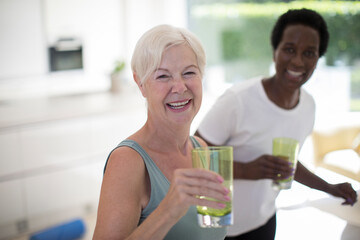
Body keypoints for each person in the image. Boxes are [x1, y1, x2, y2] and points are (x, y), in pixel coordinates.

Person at [195, 8, 358, 240]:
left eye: (309, 53)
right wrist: (246, 170)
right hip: (218, 228)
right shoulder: (237, 101)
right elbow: (194, 156)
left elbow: (287, 165)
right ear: (275, 52)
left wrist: (329, 188)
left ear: (317, 59)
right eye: (289, 49)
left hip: (265, 221)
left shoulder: (308, 106)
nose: (298, 61)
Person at [93, 24, 230, 240]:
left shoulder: (200, 148)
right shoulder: (127, 161)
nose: (180, 87)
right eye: (163, 76)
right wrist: (168, 211)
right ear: (141, 84)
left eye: (189, 73)